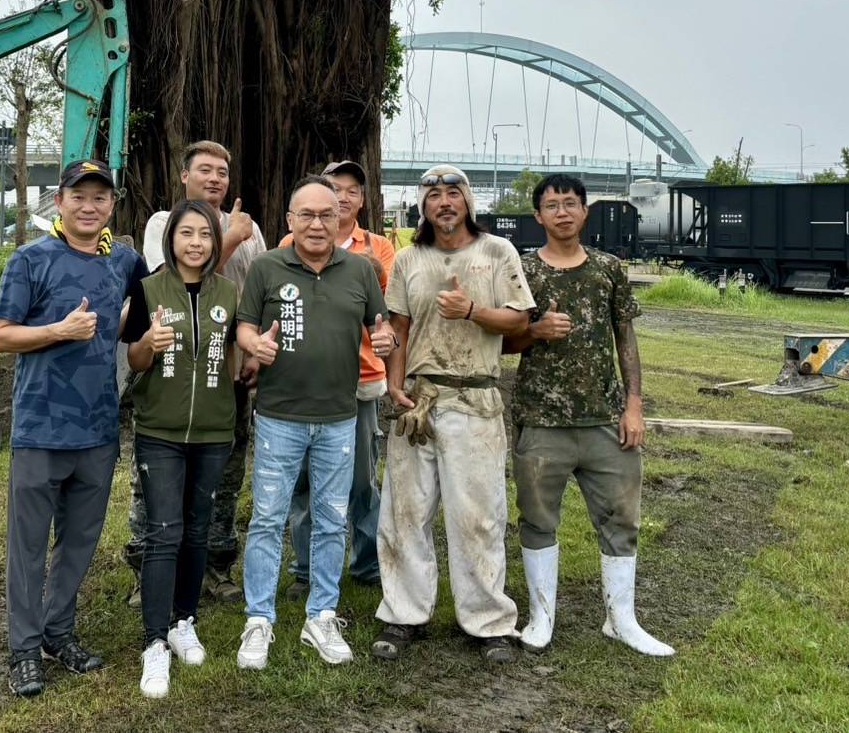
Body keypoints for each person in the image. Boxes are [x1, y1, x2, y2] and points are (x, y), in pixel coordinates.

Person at [0, 160, 150, 700]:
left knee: (79, 542)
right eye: (78, 196)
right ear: (58, 202)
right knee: (28, 545)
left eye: (100, 198)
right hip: (40, 426)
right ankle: (23, 649)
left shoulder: (123, 261)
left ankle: (59, 633)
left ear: (112, 205)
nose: (89, 206)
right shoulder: (30, 260)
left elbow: (145, 310)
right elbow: (1, 335)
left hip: (99, 427)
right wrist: (58, 330)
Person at [503, 174, 674, 658]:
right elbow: (504, 342)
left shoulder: (608, 269)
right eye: (552, 205)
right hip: (540, 418)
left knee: (622, 518)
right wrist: (536, 330)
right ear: (538, 216)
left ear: (584, 212)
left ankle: (622, 619)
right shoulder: (523, 272)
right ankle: (541, 617)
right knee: (537, 520)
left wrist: (634, 405)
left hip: (605, 419)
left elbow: (626, 338)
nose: (562, 212)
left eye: (571, 204)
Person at [372, 165, 533, 664]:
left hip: (476, 399)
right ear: (423, 206)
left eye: (453, 194)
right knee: (404, 514)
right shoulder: (409, 259)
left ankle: (488, 622)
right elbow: (398, 325)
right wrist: (394, 385)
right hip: (419, 400)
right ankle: (404, 614)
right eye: (434, 195)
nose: (444, 202)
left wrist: (471, 311)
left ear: (468, 202)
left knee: (479, 516)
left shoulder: (496, 252)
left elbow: (521, 319)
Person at [233, 176, 394, 670]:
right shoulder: (266, 267)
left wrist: (384, 338)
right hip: (280, 416)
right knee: (267, 518)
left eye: (327, 214)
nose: (318, 223)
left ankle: (321, 614)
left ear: (342, 216)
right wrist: (252, 343)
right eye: (307, 215)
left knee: (330, 519)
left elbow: (379, 323)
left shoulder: (362, 271)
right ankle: (258, 618)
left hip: (340, 418)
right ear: (290, 221)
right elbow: (243, 324)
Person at [126, 140, 266, 606]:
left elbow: (258, 298)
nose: (215, 179)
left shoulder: (250, 228)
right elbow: (175, 279)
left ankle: (217, 566)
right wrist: (232, 237)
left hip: (227, 373)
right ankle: (145, 566)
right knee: (154, 480)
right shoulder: (163, 225)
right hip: (169, 370)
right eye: (204, 170)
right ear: (183, 176)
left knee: (224, 475)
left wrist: (253, 355)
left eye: (223, 172)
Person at [119, 199, 240, 697]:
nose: (196, 243)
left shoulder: (230, 293)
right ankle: (153, 643)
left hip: (214, 432)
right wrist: (150, 342)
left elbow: (235, 359)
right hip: (160, 431)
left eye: (205, 234)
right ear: (170, 239)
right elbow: (134, 357)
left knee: (197, 530)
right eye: (186, 233)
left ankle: (183, 620)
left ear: (216, 242)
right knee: (163, 531)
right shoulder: (148, 289)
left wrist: (256, 359)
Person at [279, 160, 395, 595]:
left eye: (351, 190)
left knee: (362, 478)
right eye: (333, 188)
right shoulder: (290, 242)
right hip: (302, 381)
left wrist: (353, 263)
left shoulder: (379, 247)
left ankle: (367, 564)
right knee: (305, 480)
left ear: (362, 200)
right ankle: (306, 568)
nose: (342, 197)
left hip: (360, 380)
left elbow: (381, 298)